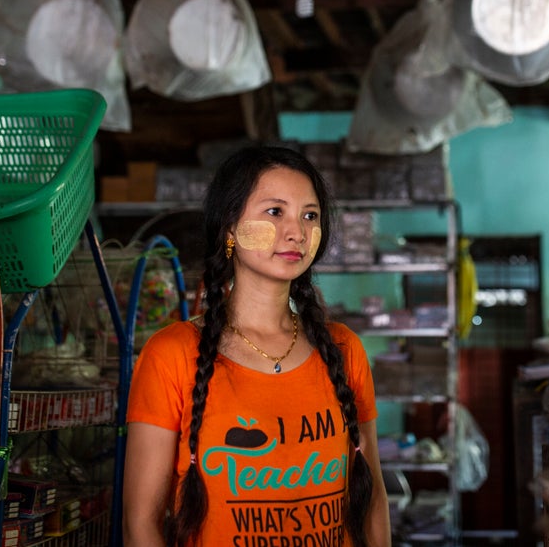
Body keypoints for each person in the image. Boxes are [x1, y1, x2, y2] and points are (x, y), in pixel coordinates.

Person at [124, 145, 391, 547]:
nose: (296, 231)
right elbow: (140, 525)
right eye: (274, 211)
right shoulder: (172, 354)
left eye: (310, 215)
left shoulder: (344, 348)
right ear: (230, 227)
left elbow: (372, 501)